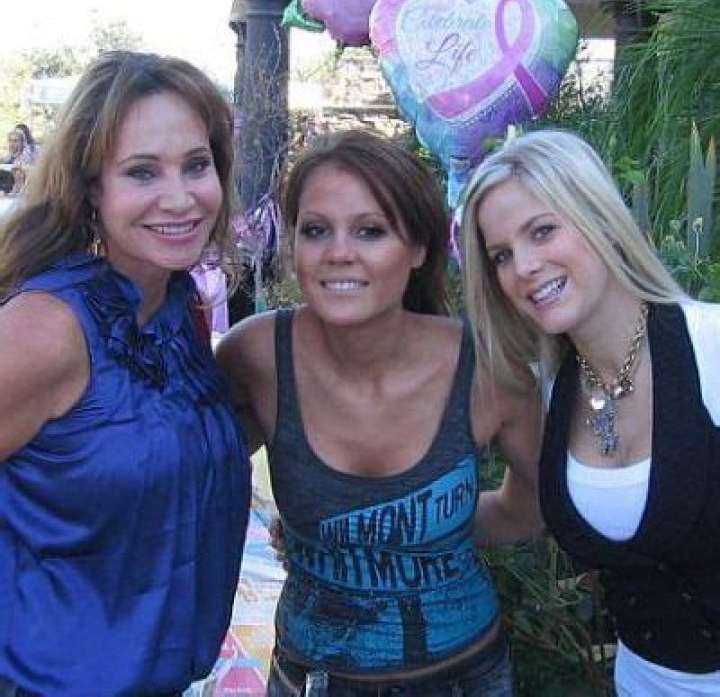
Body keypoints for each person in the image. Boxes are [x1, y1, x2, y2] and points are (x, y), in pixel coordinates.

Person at [217, 129, 543, 696]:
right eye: (316, 230)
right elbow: (189, 484)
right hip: (313, 680)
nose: (339, 252)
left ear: (418, 249)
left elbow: (528, 509)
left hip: (464, 679)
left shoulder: (488, 371)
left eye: (370, 230)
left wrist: (406, 536)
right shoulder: (256, 357)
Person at [0, 50, 252, 696]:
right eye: (142, 171)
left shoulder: (176, 307)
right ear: (93, 189)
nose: (181, 196)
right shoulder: (48, 328)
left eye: (196, 165)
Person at [460, 128, 720, 696]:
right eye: (501, 255)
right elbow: (516, 513)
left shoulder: (711, 347)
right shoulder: (550, 392)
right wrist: (381, 518)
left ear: (600, 218)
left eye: (542, 231)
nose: (524, 267)